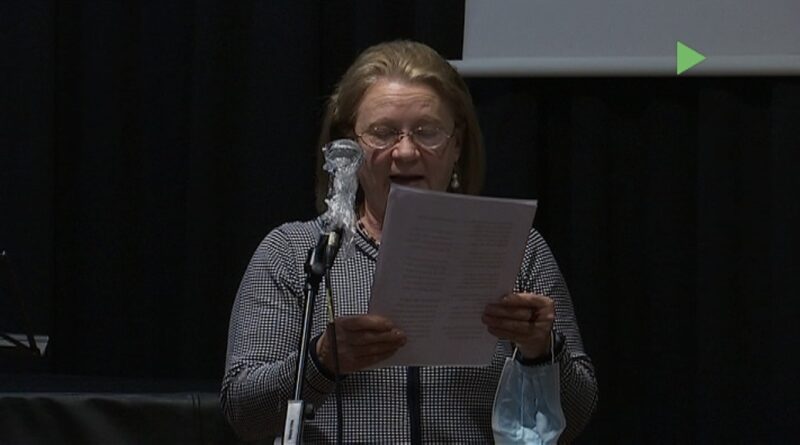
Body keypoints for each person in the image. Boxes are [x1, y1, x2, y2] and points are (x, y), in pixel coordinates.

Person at [221, 40, 597, 443]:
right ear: (350, 147)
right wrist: (321, 361)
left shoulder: (517, 249)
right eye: (382, 133)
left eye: (427, 132)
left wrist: (542, 349)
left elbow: (575, 418)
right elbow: (244, 415)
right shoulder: (295, 252)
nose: (404, 152)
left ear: (456, 145)